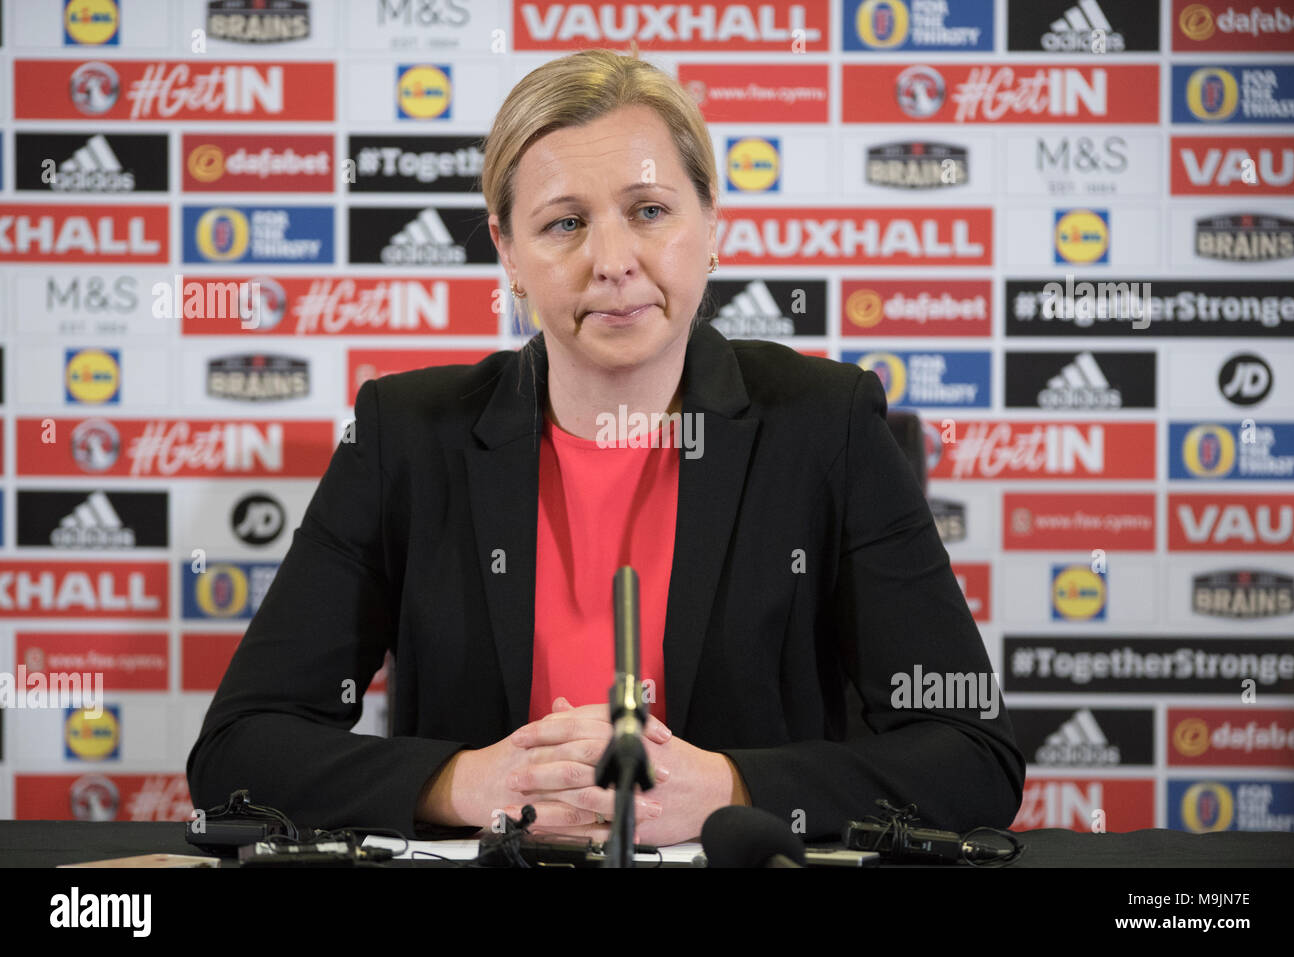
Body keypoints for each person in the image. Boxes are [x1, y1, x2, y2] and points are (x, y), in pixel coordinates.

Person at [187, 49, 1024, 847]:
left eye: (649, 210)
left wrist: (731, 789)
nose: (611, 261)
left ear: (712, 226)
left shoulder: (826, 423)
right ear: (509, 254)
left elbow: (970, 755)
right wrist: (467, 783)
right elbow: (239, 748)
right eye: (564, 223)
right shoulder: (405, 435)